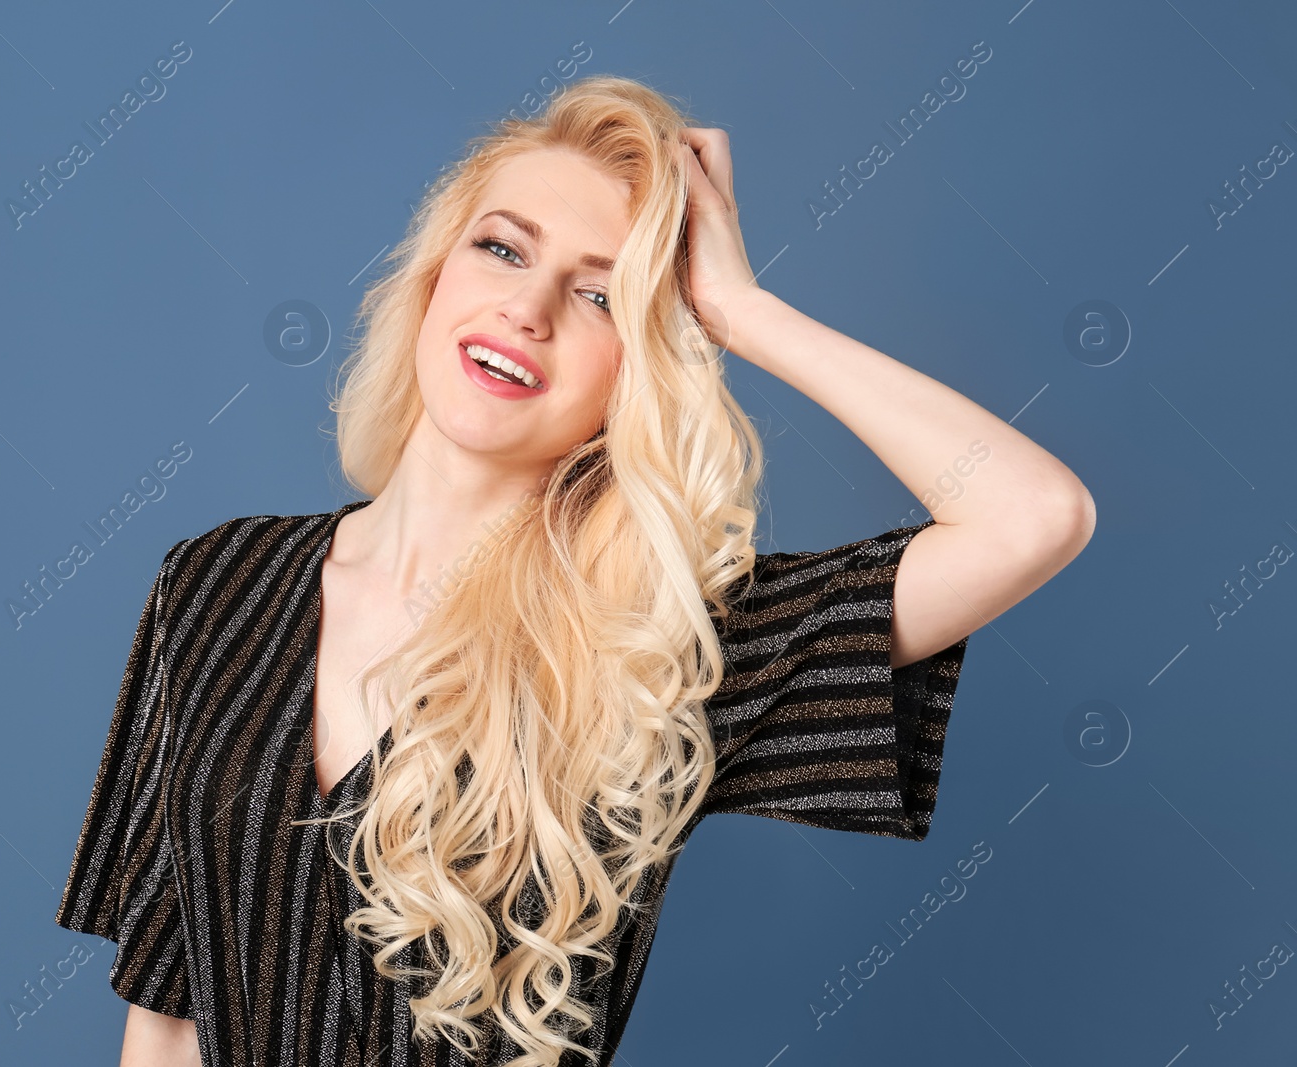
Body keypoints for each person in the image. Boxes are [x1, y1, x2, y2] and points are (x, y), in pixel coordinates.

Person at [54, 74, 1095, 1067]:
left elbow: (1030, 515)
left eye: (601, 296)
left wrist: (739, 311)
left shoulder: (652, 640)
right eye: (503, 249)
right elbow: (166, 1016)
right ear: (434, 275)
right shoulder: (213, 582)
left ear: (640, 366)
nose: (528, 308)